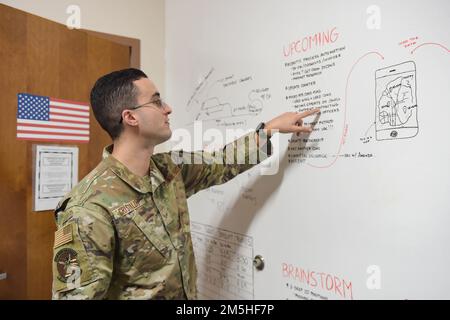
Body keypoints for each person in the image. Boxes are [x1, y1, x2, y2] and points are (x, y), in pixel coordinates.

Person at [51, 68, 319, 299]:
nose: (167, 108)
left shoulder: (170, 168)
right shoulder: (88, 208)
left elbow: (222, 162)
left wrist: (269, 129)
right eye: (156, 102)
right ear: (130, 117)